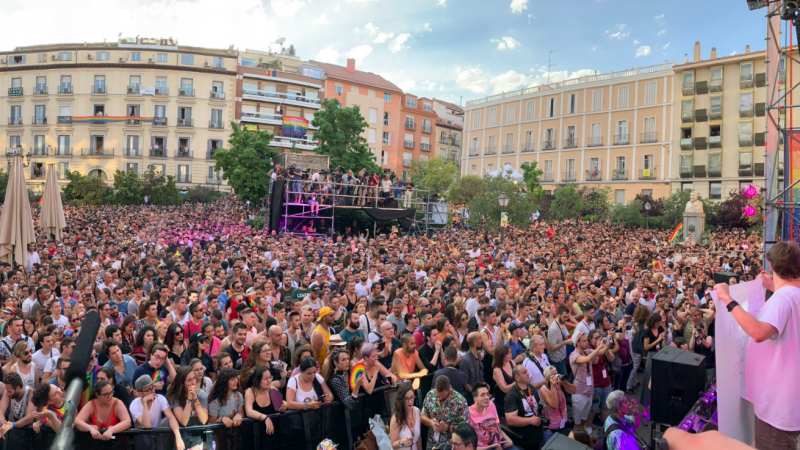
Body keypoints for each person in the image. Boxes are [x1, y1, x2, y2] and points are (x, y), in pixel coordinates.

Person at [714, 241, 800, 449]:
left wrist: (728, 299)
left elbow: (759, 332)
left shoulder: (783, 300)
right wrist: (774, 286)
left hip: (778, 407)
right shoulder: (791, 295)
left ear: (771, 265)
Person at [129, 374, 184, 450]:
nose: (153, 391)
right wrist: (145, 403)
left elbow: (171, 418)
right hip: (142, 438)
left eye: (153, 387)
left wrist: (178, 437)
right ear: (140, 393)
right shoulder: (134, 405)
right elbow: (147, 425)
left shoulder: (160, 399)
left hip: (157, 436)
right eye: (149, 390)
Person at [421, 375, 469, 450]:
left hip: (450, 445)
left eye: (442, 396)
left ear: (449, 389)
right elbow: (423, 415)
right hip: (432, 444)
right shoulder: (430, 395)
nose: (439, 398)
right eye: (437, 395)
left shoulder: (460, 401)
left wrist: (447, 428)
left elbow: (465, 428)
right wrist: (431, 422)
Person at [503, 365, 544, 450]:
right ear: (517, 378)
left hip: (537, 433)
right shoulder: (511, 396)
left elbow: (536, 405)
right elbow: (510, 420)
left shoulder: (531, 388)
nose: (528, 374)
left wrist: (542, 410)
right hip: (523, 437)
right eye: (524, 372)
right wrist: (530, 421)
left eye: (527, 371)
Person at [469, 381, 517, 450]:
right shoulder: (469, 413)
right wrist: (493, 447)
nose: (486, 397)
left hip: (501, 442)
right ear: (475, 399)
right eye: (482, 395)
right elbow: (470, 446)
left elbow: (498, 427)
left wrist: (509, 441)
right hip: (486, 447)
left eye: (487, 394)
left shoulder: (491, 405)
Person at [244, 365, 288, 437]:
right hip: (256, 433)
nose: (269, 381)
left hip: (273, 431)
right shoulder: (250, 392)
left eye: (270, 378)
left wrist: (283, 407)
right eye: (265, 379)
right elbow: (249, 411)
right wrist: (265, 418)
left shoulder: (273, 390)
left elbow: (279, 409)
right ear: (258, 380)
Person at [538, 366, 575, 442]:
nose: (557, 376)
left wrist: (564, 382)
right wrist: (553, 386)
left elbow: (574, 391)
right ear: (548, 379)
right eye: (554, 375)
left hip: (563, 423)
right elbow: (554, 405)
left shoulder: (559, 384)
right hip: (551, 428)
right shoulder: (543, 389)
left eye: (557, 373)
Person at [390, 382, 422, 450]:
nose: (410, 402)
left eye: (411, 397)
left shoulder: (417, 411)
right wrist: (401, 442)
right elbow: (392, 445)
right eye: (406, 399)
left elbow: (418, 438)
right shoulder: (396, 418)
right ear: (401, 400)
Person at [459, 331, 484, 404]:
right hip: (471, 398)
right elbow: (465, 383)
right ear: (476, 343)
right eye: (480, 339)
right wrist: (476, 393)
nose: (482, 341)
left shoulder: (479, 355)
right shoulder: (465, 360)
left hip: (480, 393)